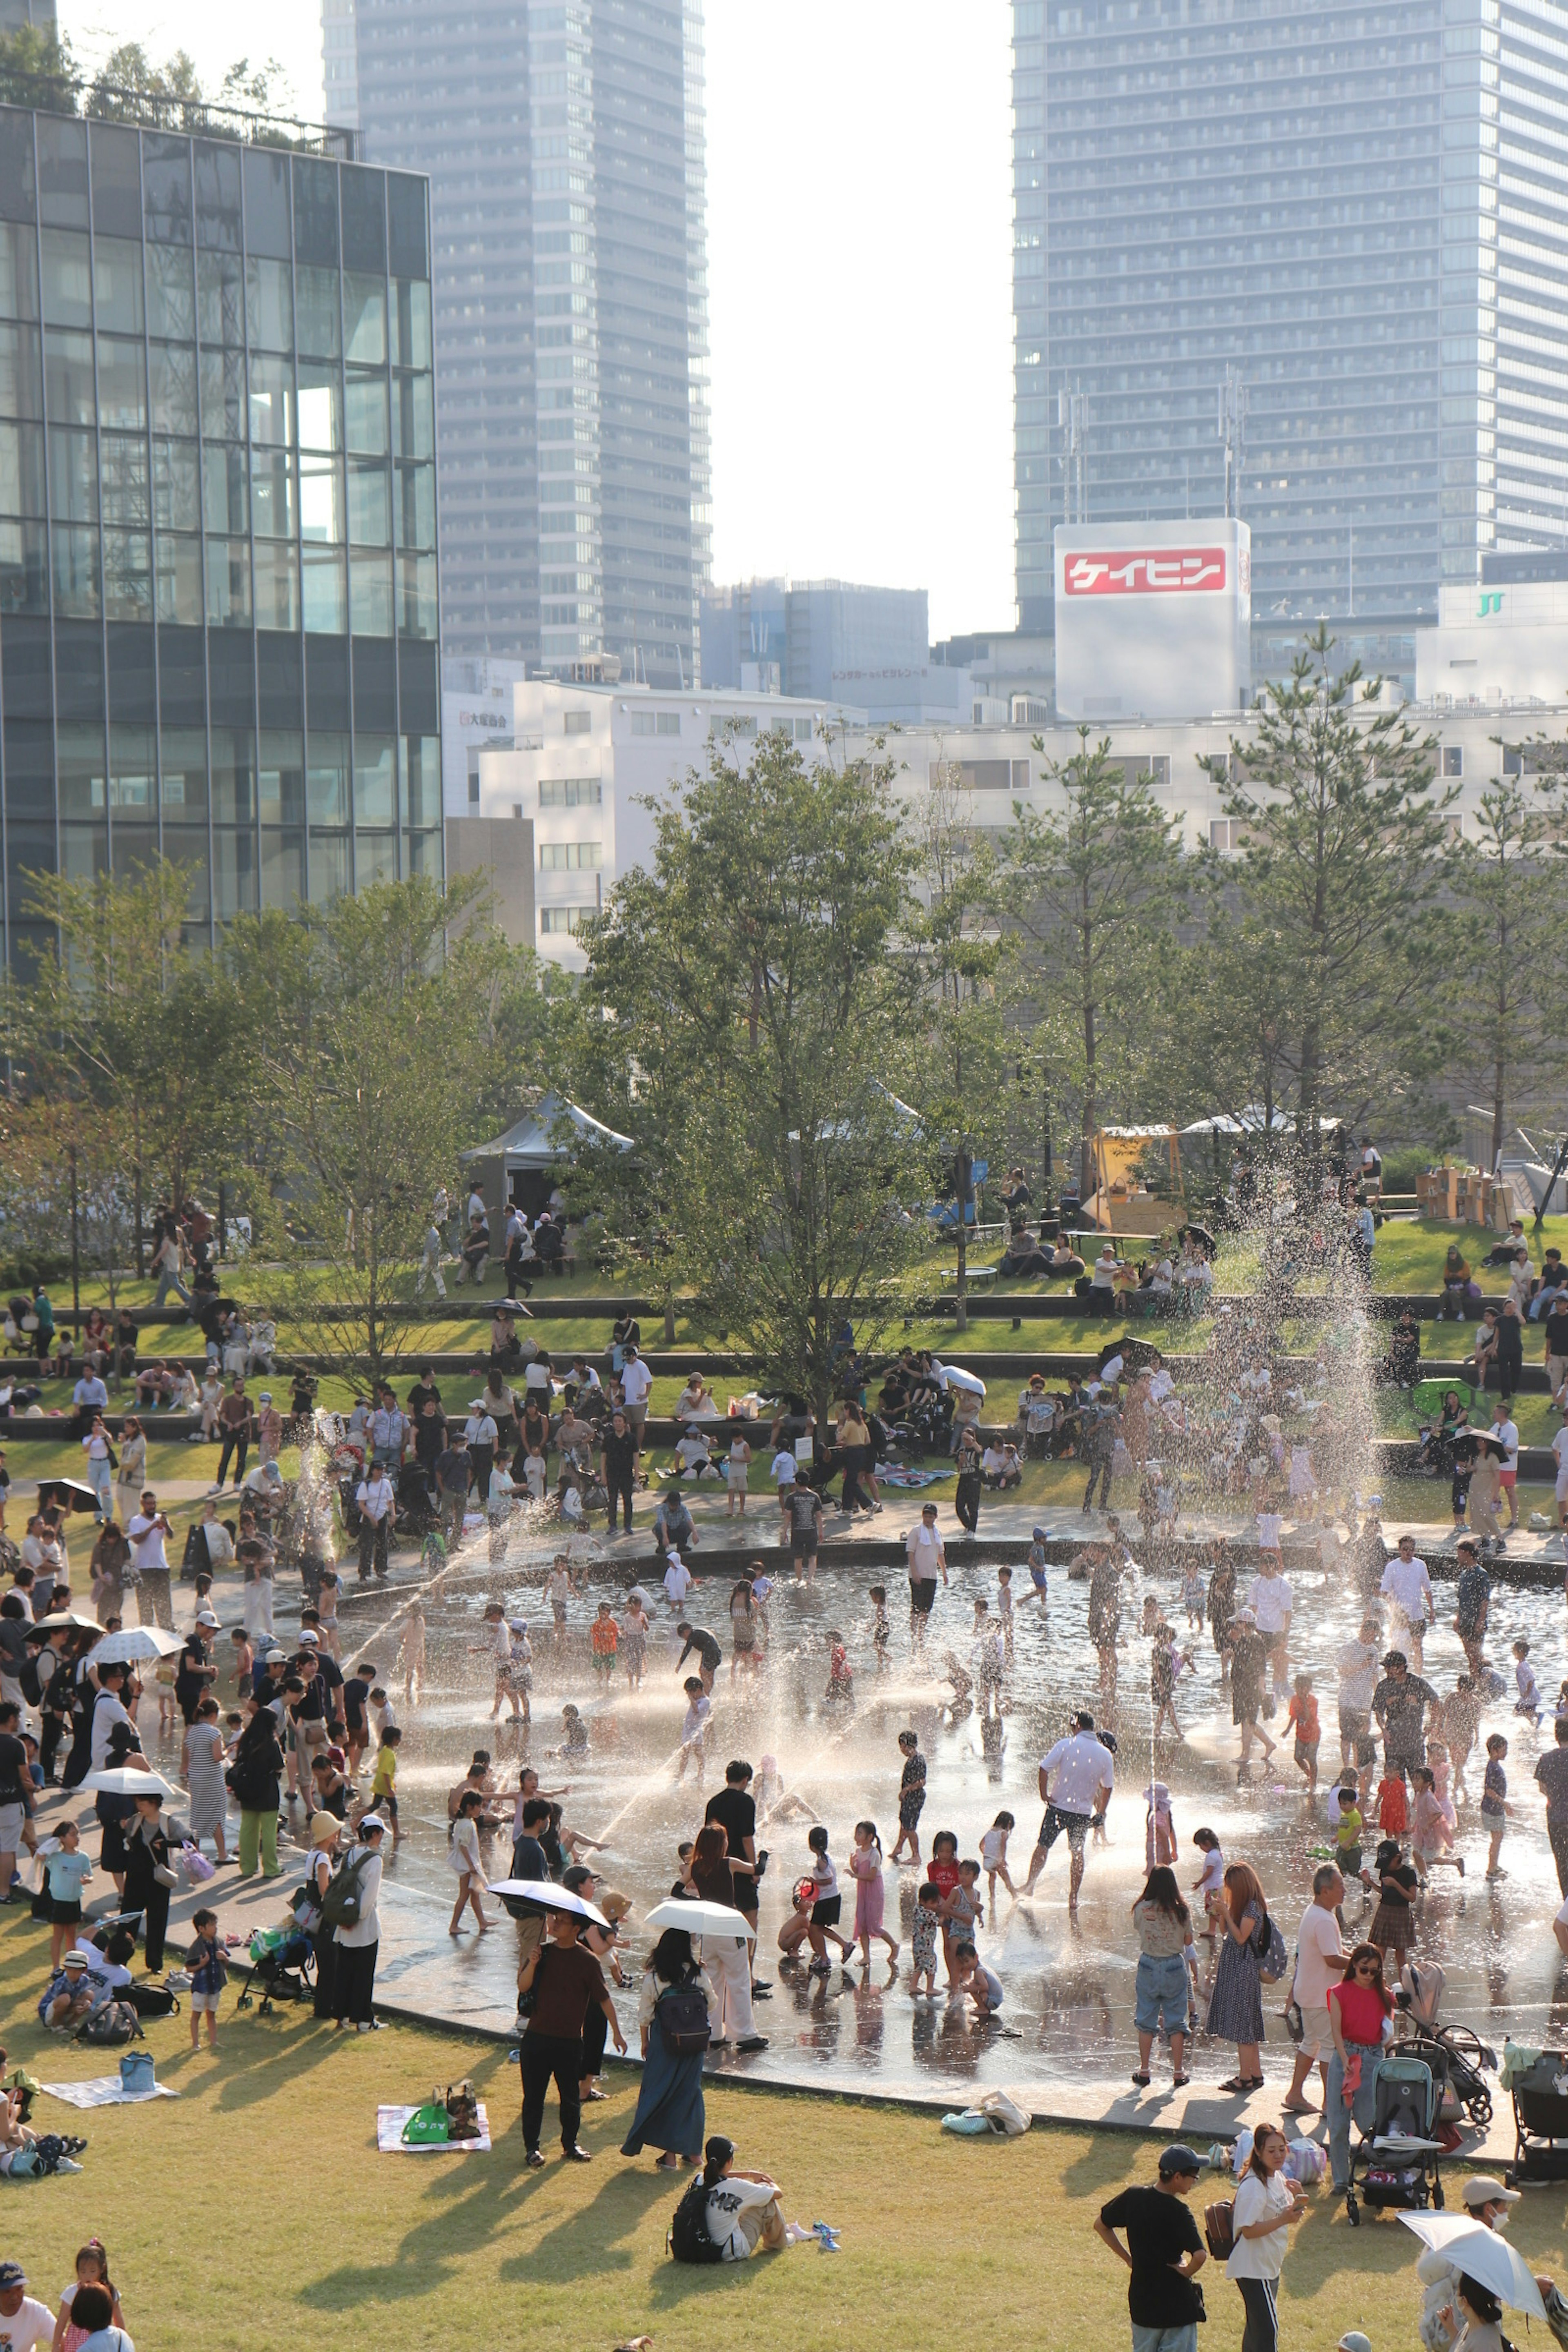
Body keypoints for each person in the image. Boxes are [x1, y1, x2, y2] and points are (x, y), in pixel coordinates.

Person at [516, 1903, 628, 2164]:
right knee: (533, 2097)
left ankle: (570, 2145)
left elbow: (604, 1998)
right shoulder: (541, 1953)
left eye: (563, 1921)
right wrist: (532, 1964)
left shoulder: (588, 1961)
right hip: (536, 2039)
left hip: (569, 2042)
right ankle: (532, 2148)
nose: (555, 1924)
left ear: (576, 1929)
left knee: (570, 2098)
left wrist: (617, 2033)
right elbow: (523, 1986)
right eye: (555, 1918)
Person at [1094, 2143, 1208, 2352]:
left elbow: (1101, 2225)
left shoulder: (1133, 2197)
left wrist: (1129, 2259)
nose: (1195, 2181)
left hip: (1143, 2302)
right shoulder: (1180, 2212)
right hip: (1176, 2307)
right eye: (1194, 2176)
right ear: (1177, 2177)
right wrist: (1185, 2272)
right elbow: (1200, 2256)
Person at [620, 1925, 716, 2169]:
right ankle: (694, 2153)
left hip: (665, 2043)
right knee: (690, 2093)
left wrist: (645, 2042)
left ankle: (670, 2157)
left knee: (661, 2093)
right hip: (694, 2043)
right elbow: (712, 2004)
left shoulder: (654, 1977)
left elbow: (646, 2015)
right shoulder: (698, 1973)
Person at [1022, 1708, 1115, 1909]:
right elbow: (1108, 1787)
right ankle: (1074, 1897)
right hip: (1082, 1813)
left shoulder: (1066, 1744)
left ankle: (1030, 1886)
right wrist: (1101, 1813)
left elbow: (1044, 1768)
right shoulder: (1105, 1753)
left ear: (1077, 1725)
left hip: (1057, 1808)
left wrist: (1044, 1795)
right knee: (1078, 1853)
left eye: (1072, 1724)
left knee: (1043, 1846)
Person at [1227, 2123, 1308, 2352]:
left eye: (1282, 2149)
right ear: (1259, 2152)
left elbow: (1286, 2216)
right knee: (1267, 2331)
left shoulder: (1277, 2177)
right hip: (1253, 2268)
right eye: (1271, 2150)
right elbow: (1249, 2231)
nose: (1278, 2155)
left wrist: (1299, 2197)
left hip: (1269, 2265)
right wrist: (1283, 2220)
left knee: (1257, 2331)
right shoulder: (1254, 2185)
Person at [1327, 1941, 1394, 2192]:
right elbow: (1335, 2030)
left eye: (1374, 1971)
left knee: (1369, 2120)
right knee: (1338, 2122)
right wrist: (1344, 2059)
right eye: (1364, 1969)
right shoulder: (1338, 1992)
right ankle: (1342, 2181)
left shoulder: (1384, 1996)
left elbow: (1387, 2032)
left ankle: (1379, 2173)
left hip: (1372, 2056)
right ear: (1353, 1965)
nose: (1368, 1976)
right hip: (1345, 2053)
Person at [1284, 1865, 1347, 2116]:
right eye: (1340, 1886)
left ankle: (1295, 2094)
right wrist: (1361, 1965)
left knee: (1312, 2043)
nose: (1344, 1890)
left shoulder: (1319, 1912)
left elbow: (1336, 1953)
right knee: (1330, 2047)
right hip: (1320, 1996)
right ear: (1324, 1891)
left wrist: (1362, 1957)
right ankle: (1329, 2104)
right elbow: (1332, 1959)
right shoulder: (1322, 1919)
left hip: (1309, 1992)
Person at [1130, 1867, 1199, 2091]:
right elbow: (1188, 1941)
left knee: (1146, 2018)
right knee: (1176, 2020)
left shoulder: (1141, 1908)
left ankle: (1144, 2070)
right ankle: (1178, 2073)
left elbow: (1139, 1930)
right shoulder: (1182, 1910)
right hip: (1173, 1966)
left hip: (1149, 1964)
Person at [1207, 1860, 1267, 2094]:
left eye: (1230, 1886)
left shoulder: (1252, 1908)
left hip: (1243, 1968)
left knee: (1243, 2024)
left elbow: (1242, 1937)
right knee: (1248, 2023)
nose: (1228, 1889)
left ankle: (1245, 2077)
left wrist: (1227, 1915)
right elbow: (1226, 1933)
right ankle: (1255, 2073)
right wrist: (1221, 1912)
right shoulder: (1243, 1907)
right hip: (1236, 1966)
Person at [332, 1812, 386, 2031]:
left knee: (344, 1972)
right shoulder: (375, 1860)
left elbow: (339, 1887)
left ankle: (342, 2017)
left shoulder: (348, 1855)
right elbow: (370, 1897)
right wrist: (358, 1919)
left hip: (344, 1923)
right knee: (364, 1974)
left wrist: (345, 1921)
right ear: (375, 1834)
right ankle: (364, 2020)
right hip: (364, 1926)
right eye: (381, 1834)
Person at [697, 2135, 791, 2261]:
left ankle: (782, 2235)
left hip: (701, 2245)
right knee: (766, 2200)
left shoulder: (699, 2179)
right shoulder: (737, 2186)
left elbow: (720, 2175)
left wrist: (750, 2174)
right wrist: (770, 2182)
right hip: (731, 2251)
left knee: (748, 2201)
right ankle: (781, 2241)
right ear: (730, 2162)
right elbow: (778, 2194)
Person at [230, 1704, 284, 1879]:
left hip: (247, 1788)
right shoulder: (271, 1743)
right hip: (267, 1789)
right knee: (269, 1830)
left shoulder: (246, 1740)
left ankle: (247, 1866)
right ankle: (270, 1868)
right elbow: (278, 1767)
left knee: (248, 1828)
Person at [1381, 1534, 1435, 1669]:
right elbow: (1384, 1592)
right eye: (1405, 1549)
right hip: (1399, 1616)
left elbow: (1427, 1590)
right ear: (1400, 1550)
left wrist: (1432, 1610)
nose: (1408, 1553)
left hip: (1417, 1614)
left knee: (1418, 1645)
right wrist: (1396, 1608)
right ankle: (1398, 1673)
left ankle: (1418, 1675)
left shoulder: (1420, 1565)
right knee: (1398, 1647)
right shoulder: (1392, 1567)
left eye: (1411, 1550)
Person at [905, 1503, 947, 1644]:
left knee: (927, 1607)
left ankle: (921, 1633)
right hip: (917, 1574)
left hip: (932, 1575)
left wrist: (944, 1573)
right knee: (916, 1605)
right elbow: (911, 1553)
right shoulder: (916, 1531)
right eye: (926, 1516)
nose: (928, 1519)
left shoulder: (938, 1533)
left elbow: (940, 1554)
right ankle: (913, 1633)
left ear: (935, 1517)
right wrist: (915, 1572)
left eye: (931, 1516)